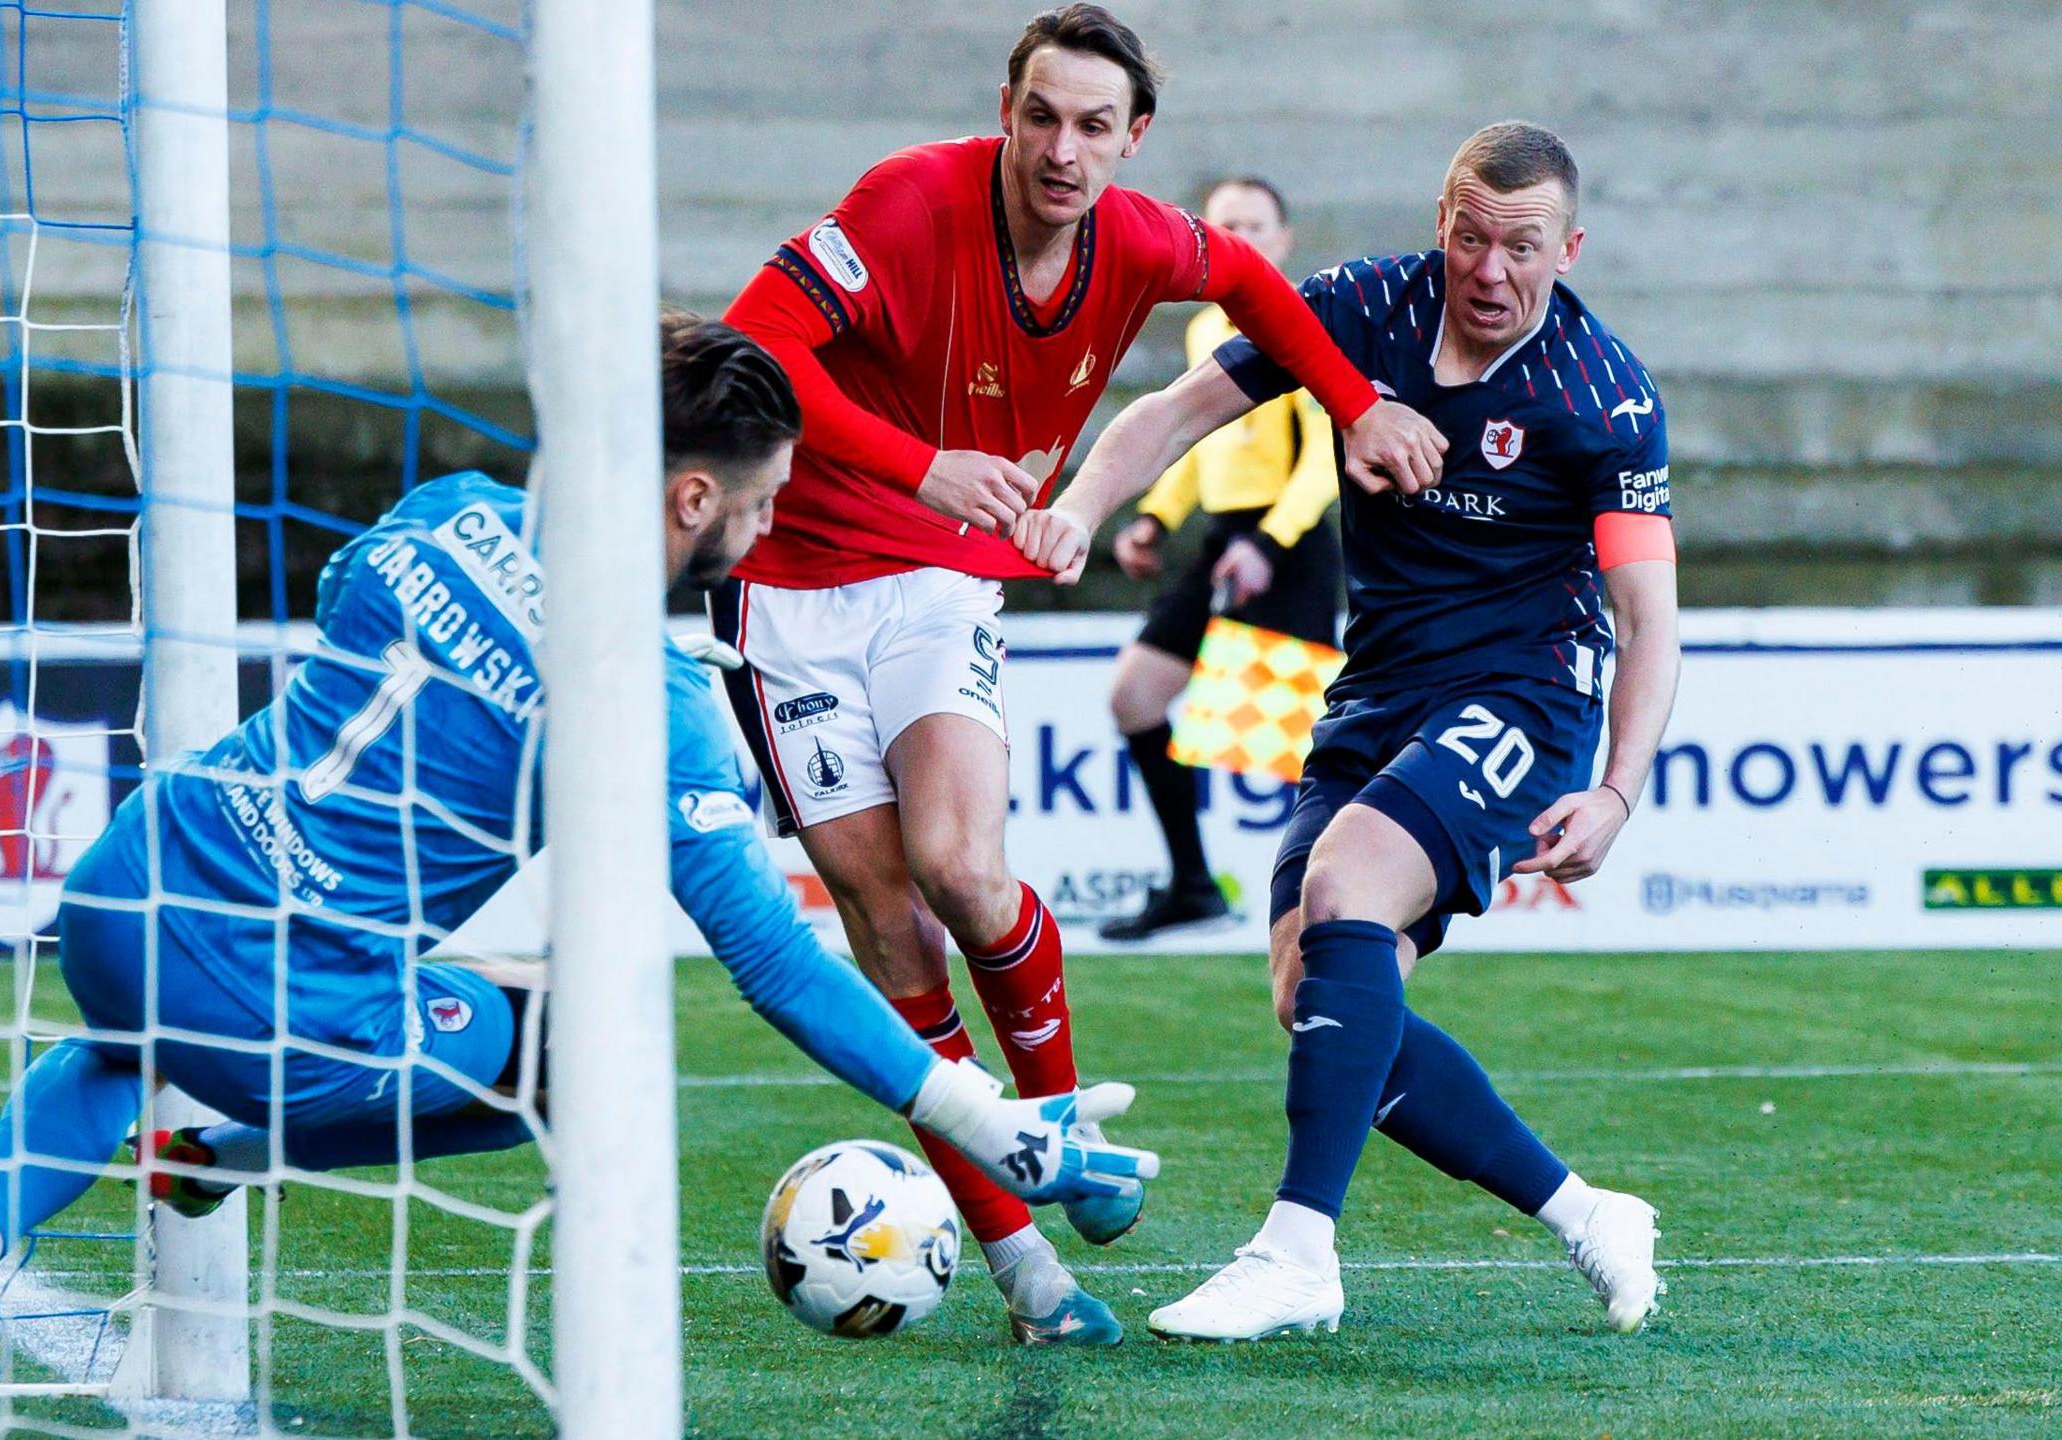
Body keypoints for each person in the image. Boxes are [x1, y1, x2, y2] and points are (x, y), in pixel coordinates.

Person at [0, 317, 1162, 1420]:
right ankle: (233, 1148)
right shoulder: (649, 697)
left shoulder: (448, 508)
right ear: (691, 497)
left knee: (122, 1043)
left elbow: (349, 595)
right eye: (759, 506)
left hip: (128, 887)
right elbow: (771, 962)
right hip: (280, 1007)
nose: (761, 536)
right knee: (585, 1049)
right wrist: (990, 1120)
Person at [715, 3, 1444, 1345]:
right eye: (1041, 117)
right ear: (1007, 111)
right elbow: (750, 348)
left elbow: (1256, 291)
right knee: (889, 930)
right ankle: (1024, 1274)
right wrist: (921, 462)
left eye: (1094, 127)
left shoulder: (1141, 237)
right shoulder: (903, 202)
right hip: (793, 591)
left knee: (967, 871)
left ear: (1133, 137)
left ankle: (1057, 1135)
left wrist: (1358, 404)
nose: (1063, 150)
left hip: (939, 575)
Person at [1012, 122, 1677, 1342]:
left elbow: (1648, 617)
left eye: (1522, 248)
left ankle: (1295, 1249)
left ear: (1566, 248)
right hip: (1376, 689)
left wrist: (1619, 791)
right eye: (1471, 236)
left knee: (1347, 881)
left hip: (1525, 694)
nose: (1490, 270)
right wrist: (1077, 506)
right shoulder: (1359, 307)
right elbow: (1175, 410)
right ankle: (1588, 1214)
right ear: (1442, 218)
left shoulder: (1603, 398)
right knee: (1311, 989)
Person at [1100, 175, 1343, 942]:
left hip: (1288, 546)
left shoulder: (1303, 321)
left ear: (1284, 239)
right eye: (1225, 226)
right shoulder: (1208, 328)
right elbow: (1198, 442)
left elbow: (1328, 455)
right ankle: (1194, 884)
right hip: (1221, 542)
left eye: (1256, 224)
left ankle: (1342, 905)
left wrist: (1270, 542)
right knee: (1135, 697)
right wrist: (1153, 517)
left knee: (1297, 750)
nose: (1242, 236)